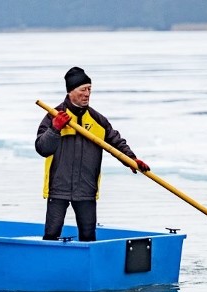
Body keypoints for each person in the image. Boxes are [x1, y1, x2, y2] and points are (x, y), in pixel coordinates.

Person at [35, 66, 149, 242]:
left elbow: (116, 142)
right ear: (71, 91)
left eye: (90, 89)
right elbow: (42, 148)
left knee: (89, 237)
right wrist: (55, 129)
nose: (87, 94)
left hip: (86, 189)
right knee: (51, 236)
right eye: (83, 89)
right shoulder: (53, 117)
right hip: (58, 188)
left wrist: (132, 160)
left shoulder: (97, 120)